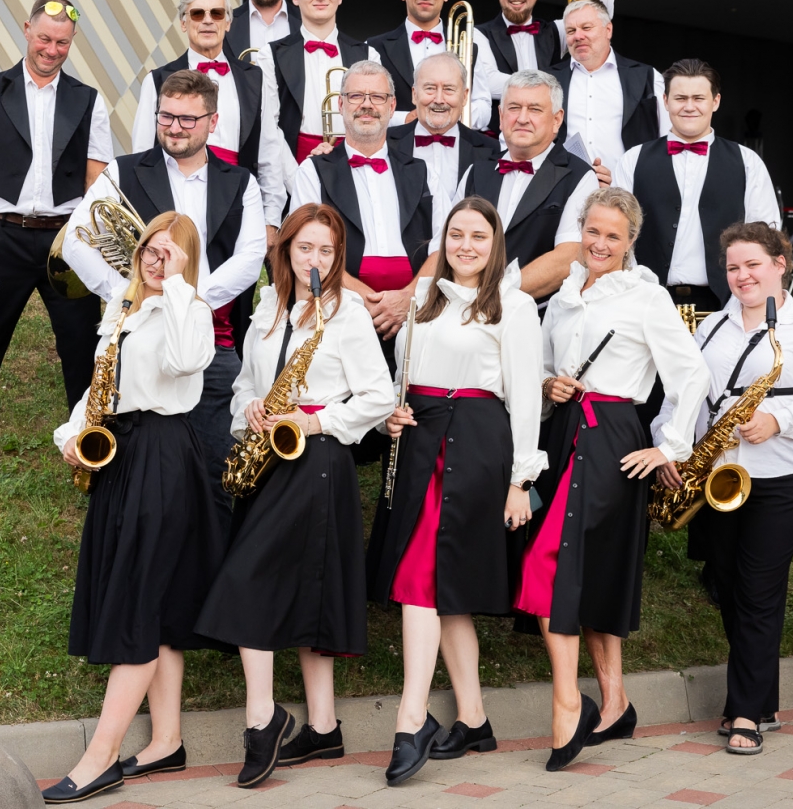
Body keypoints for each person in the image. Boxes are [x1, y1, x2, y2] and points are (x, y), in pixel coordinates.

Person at [194, 205, 394, 788]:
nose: (316, 260)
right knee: (312, 588)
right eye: (305, 247)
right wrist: (251, 409)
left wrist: (315, 421)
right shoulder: (266, 306)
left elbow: (378, 397)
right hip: (268, 458)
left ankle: (263, 721)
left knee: (245, 580)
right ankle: (324, 728)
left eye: (327, 251)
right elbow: (243, 386)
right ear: (284, 251)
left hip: (317, 460)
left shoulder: (347, 313)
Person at [514, 187, 708, 772]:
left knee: (551, 561)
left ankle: (569, 706)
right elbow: (543, 367)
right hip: (563, 433)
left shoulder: (647, 297)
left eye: (613, 236)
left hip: (612, 438)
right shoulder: (564, 295)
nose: (600, 244)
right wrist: (549, 385)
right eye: (593, 231)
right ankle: (615, 701)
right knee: (590, 568)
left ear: (631, 242)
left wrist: (668, 444)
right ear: (582, 230)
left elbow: (691, 374)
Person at [367, 197, 544, 786]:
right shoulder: (422, 296)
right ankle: (473, 719)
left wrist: (521, 480)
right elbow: (401, 377)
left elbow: (526, 397)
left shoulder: (514, 305)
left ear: (495, 245)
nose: (466, 246)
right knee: (442, 589)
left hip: (475, 445)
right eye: (457, 235)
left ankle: (410, 718)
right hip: (419, 442)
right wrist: (391, 416)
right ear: (443, 241)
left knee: (421, 576)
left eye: (478, 236)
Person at [653, 223, 793, 755]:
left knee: (759, 589)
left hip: (783, 475)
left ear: (780, 264)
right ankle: (764, 698)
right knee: (729, 587)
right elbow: (680, 394)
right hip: (715, 475)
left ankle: (743, 712)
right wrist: (670, 445)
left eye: (753, 265)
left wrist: (780, 419)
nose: (742, 276)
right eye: (733, 267)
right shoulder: (709, 329)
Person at [50, 213, 223, 803]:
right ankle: (166, 741)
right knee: (158, 607)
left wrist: (177, 287)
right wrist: (72, 434)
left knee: (137, 604)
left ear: (186, 259)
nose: (155, 259)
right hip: (122, 454)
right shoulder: (122, 309)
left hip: (163, 455)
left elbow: (183, 363)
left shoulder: (191, 310)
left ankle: (99, 758)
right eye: (150, 248)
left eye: (169, 253)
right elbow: (101, 385)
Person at [65, 70, 266, 526]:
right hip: (137, 341)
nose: (175, 127)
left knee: (216, 470)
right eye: (166, 116)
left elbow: (251, 257)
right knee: (135, 474)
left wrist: (187, 298)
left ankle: (212, 559)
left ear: (212, 121)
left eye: (187, 119)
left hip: (212, 340)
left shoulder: (241, 181)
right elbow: (75, 240)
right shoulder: (123, 171)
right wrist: (127, 292)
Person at [0, 0, 114, 500]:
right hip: (3, 237)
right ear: (26, 30)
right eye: (44, 38)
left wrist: (100, 250)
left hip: (68, 242)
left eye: (62, 42)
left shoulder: (89, 100)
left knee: (84, 350)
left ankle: (92, 455)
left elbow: (97, 180)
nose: (51, 49)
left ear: (71, 42)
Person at [289, 61, 434, 349]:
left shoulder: (423, 170)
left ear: (392, 106)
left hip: (415, 317)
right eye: (356, 96)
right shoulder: (312, 171)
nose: (367, 105)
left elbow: (443, 245)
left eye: (377, 97)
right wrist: (364, 302)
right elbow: (304, 251)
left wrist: (410, 297)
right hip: (337, 313)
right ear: (341, 105)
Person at [617, 59, 780, 313]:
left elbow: (765, 238)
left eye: (698, 98)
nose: (689, 107)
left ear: (715, 101)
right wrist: (635, 294)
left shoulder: (747, 162)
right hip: (646, 303)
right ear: (666, 101)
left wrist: (744, 302)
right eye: (680, 98)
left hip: (727, 305)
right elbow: (617, 234)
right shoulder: (632, 160)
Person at [130, 0, 285, 231]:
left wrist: (271, 221)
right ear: (183, 23)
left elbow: (268, 154)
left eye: (217, 13)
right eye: (197, 13)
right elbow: (142, 156)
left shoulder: (255, 80)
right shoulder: (157, 80)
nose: (208, 20)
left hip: (239, 203)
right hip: (174, 206)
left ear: (228, 23)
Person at [456, 71, 598, 307]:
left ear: (557, 119)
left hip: (539, 316)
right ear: (501, 116)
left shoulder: (580, 177)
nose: (522, 118)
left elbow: (568, 257)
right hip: (467, 309)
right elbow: (452, 242)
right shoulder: (476, 171)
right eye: (514, 108)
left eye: (534, 109)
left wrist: (490, 297)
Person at [266, 0, 381, 166]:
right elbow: (269, 128)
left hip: (351, 162)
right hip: (292, 165)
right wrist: (297, 176)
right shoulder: (270, 55)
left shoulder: (368, 55)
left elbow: (375, 118)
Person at [550, 0, 669, 185]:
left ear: (608, 30)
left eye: (586, 27)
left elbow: (668, 139)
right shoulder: (549, 79)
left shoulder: (647, 76)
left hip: (629, 190)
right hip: (565, 189)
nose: (578, 36)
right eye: (571, 31)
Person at [367, 0, 494, 127]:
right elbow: (367, 105)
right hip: (397, 143)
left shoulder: (468, 48)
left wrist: (450, 117)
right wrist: (404, 119)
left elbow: (483, 104)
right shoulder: (374, 47)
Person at [385, 53, 501, 237]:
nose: (439, 99)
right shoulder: (385, 144)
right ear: (414, 95)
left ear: (464, 96)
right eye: (430, 88)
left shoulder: (492, 151)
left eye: (448, 89)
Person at [472, 0, 567, 128]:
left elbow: (598, 17)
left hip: (548, 136)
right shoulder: (479, 33)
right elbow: (489, 83)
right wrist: (545, 89)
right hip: (500, 138)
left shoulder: (555, 31)